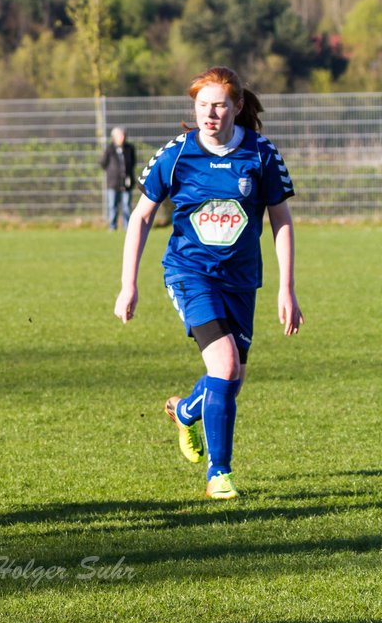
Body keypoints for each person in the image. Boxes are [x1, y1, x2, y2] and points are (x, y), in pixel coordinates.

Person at [114, 66, 303, 500]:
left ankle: (185, 411)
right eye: (202, 105)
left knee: (231, 380)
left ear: (237, 106)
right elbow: (141, 216)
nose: (210, 113)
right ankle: (220, 474)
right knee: (225, 367)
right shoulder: (178, 153)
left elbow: (281, 221)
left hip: (240, 281)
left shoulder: (260, 154)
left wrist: (286, 288)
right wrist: (129, 284)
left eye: (219, 104)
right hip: (189, 273)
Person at [100, 127, 136, 231]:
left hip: (127, 182)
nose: (122, 137)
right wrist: (112, 172)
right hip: (113, 182)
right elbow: (103, 163)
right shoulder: (109, 149)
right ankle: (112, 226)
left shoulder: (129, 148)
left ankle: (127, 226)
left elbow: (133, 162)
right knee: (112, 205)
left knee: (126, 205)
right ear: (114, 137)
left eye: (123, 135)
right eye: (120, 135)